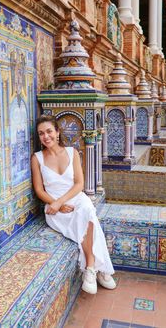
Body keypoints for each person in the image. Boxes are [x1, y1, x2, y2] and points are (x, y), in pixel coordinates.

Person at [31, 115, 116, 295]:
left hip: (74, 198)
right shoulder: (37, 158)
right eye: (41, 134)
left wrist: (61, 201)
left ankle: (90, 269)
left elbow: (79, 184)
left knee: (86, 209)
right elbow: (39, 190)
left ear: (57, 132)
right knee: (88, 216)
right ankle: (100, 269)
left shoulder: (72, 153)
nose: (46, 136)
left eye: (49, 131)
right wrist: (56, 205)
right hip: (53, 207)